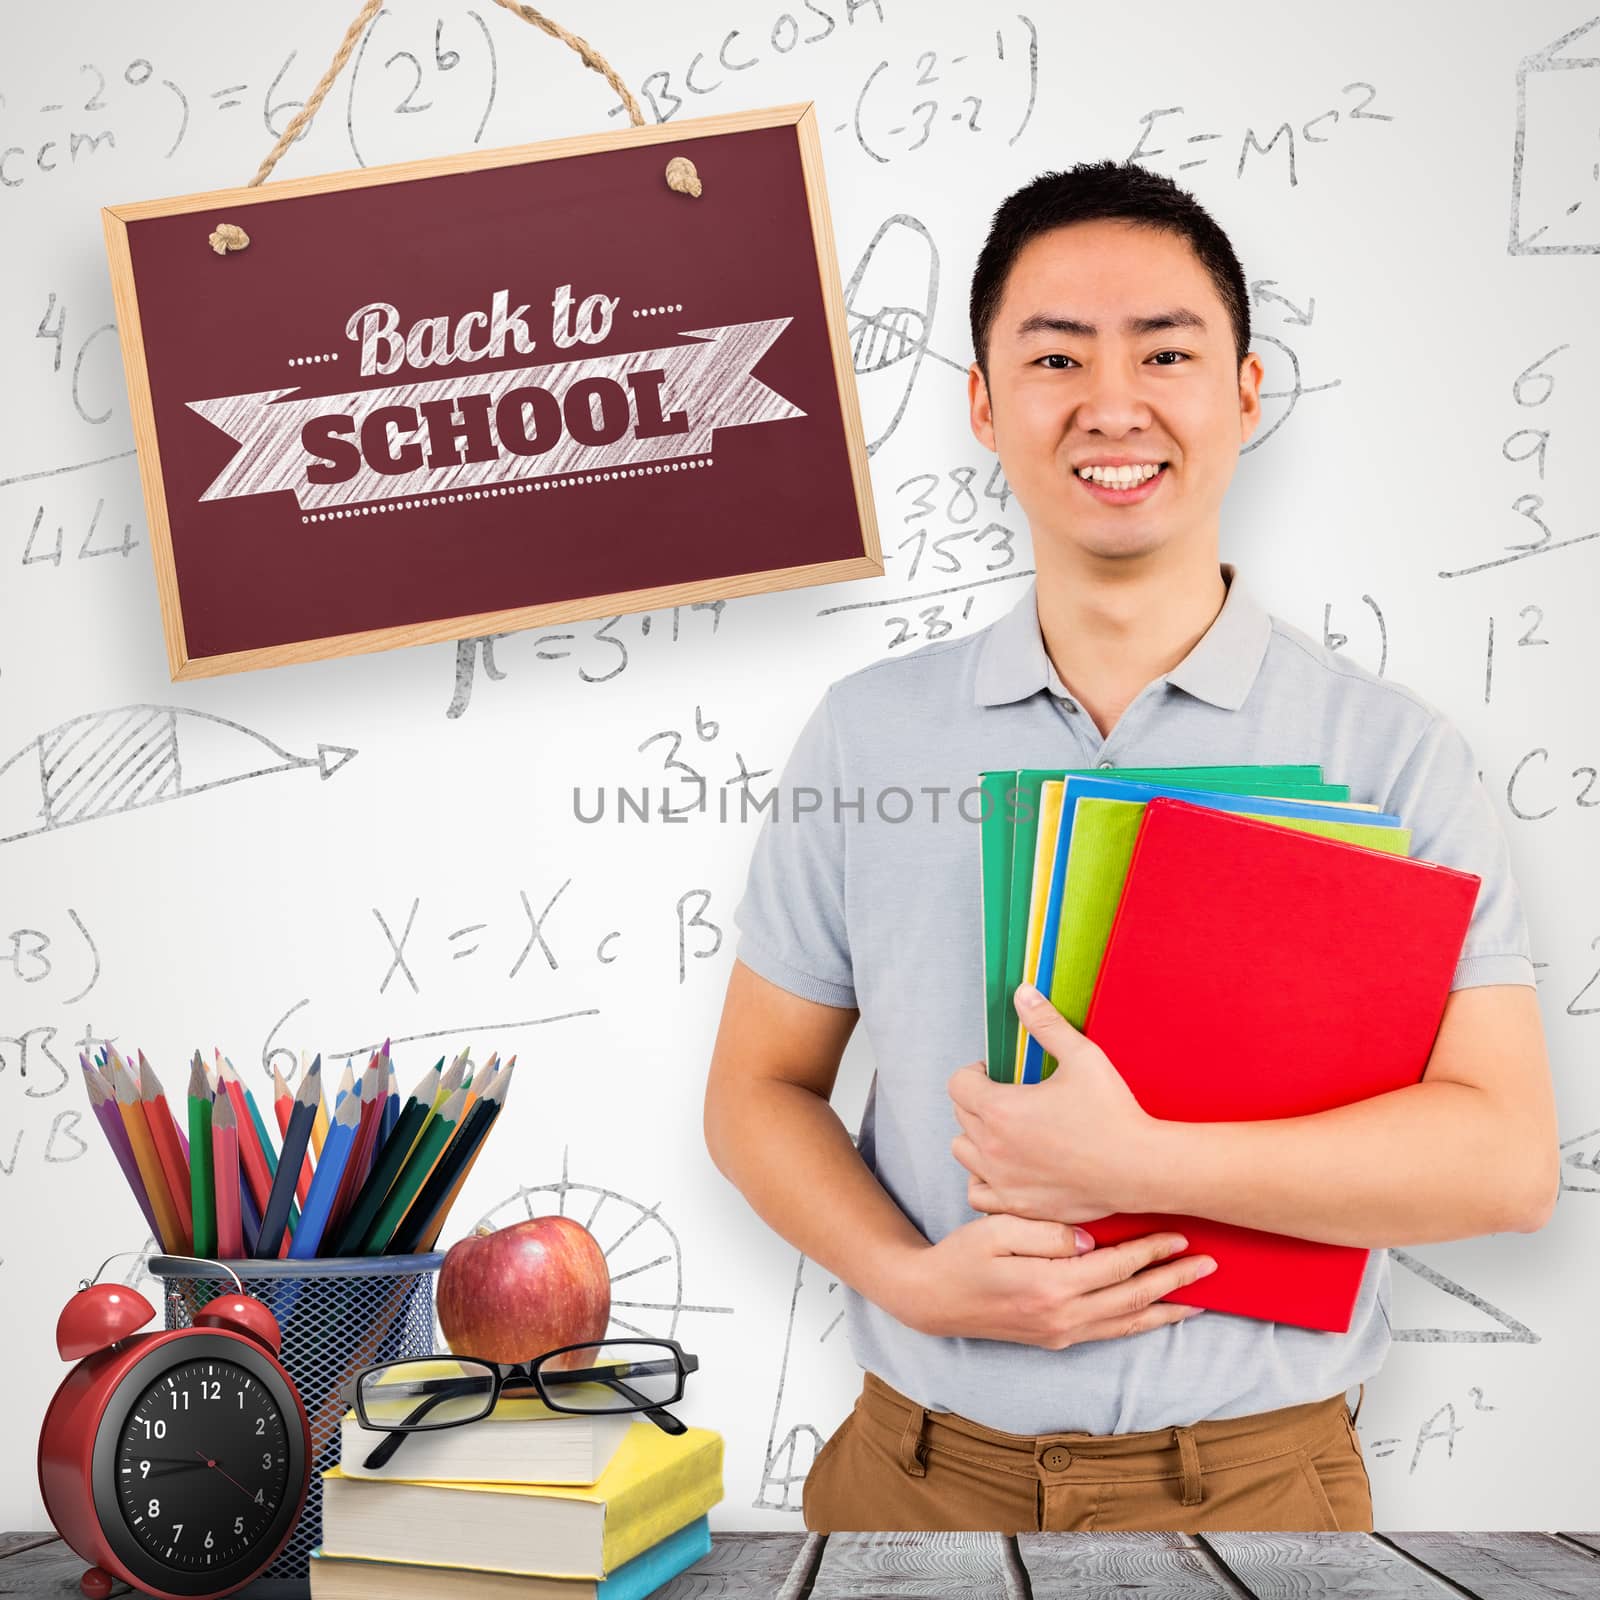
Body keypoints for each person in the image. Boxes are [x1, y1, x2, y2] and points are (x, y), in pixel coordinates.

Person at [701, 160, 1559, 1533]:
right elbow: (756, 1088)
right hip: (912, 1482)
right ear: (982, 406)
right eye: (1055, 357)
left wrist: (1135, 1164)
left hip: (1261, 1492)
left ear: (1246, 393)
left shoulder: (1392, 756)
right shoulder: (869, 737)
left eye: (1166, 350)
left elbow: (1504, 1165)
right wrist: (910, 1279)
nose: (1114, 404)